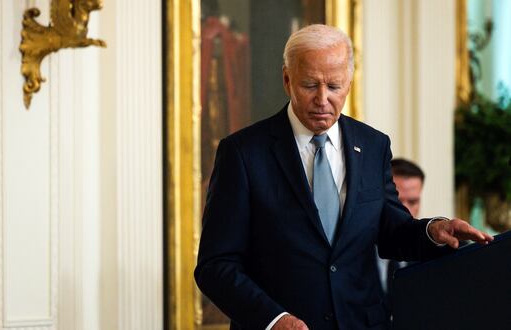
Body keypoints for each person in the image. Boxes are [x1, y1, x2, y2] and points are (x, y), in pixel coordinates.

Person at [194, 24, 493, 330]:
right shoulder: (243, 153)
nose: (322, 99)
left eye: (334, 87)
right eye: (310, 85)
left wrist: (433, 230)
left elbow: (391, 231)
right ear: (287, 79)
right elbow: (214, 266)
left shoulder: (374, 145)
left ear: (349, 83)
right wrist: (273, 320)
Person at [377, 158, 426, 294]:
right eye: (397, 201)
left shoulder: (427, 253)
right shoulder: (353, 249)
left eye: (412, 201)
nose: (404, 210)